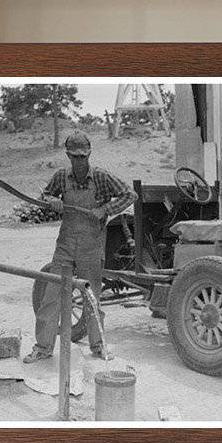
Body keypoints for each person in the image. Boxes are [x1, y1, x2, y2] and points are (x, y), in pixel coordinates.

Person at [23, 132, 136, 364]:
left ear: (89, 154)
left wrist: (105, 210)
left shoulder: (102, 178)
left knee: (92, 299)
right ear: (68, 155)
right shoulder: (62, 177)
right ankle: (42, 348)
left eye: (83, 156)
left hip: (91, 246)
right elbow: (45, 194)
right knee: (51, 297)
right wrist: (51, 201)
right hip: (65, 245)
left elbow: (130, 194)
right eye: (75, 156)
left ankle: (98, 346)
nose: (79, 161)